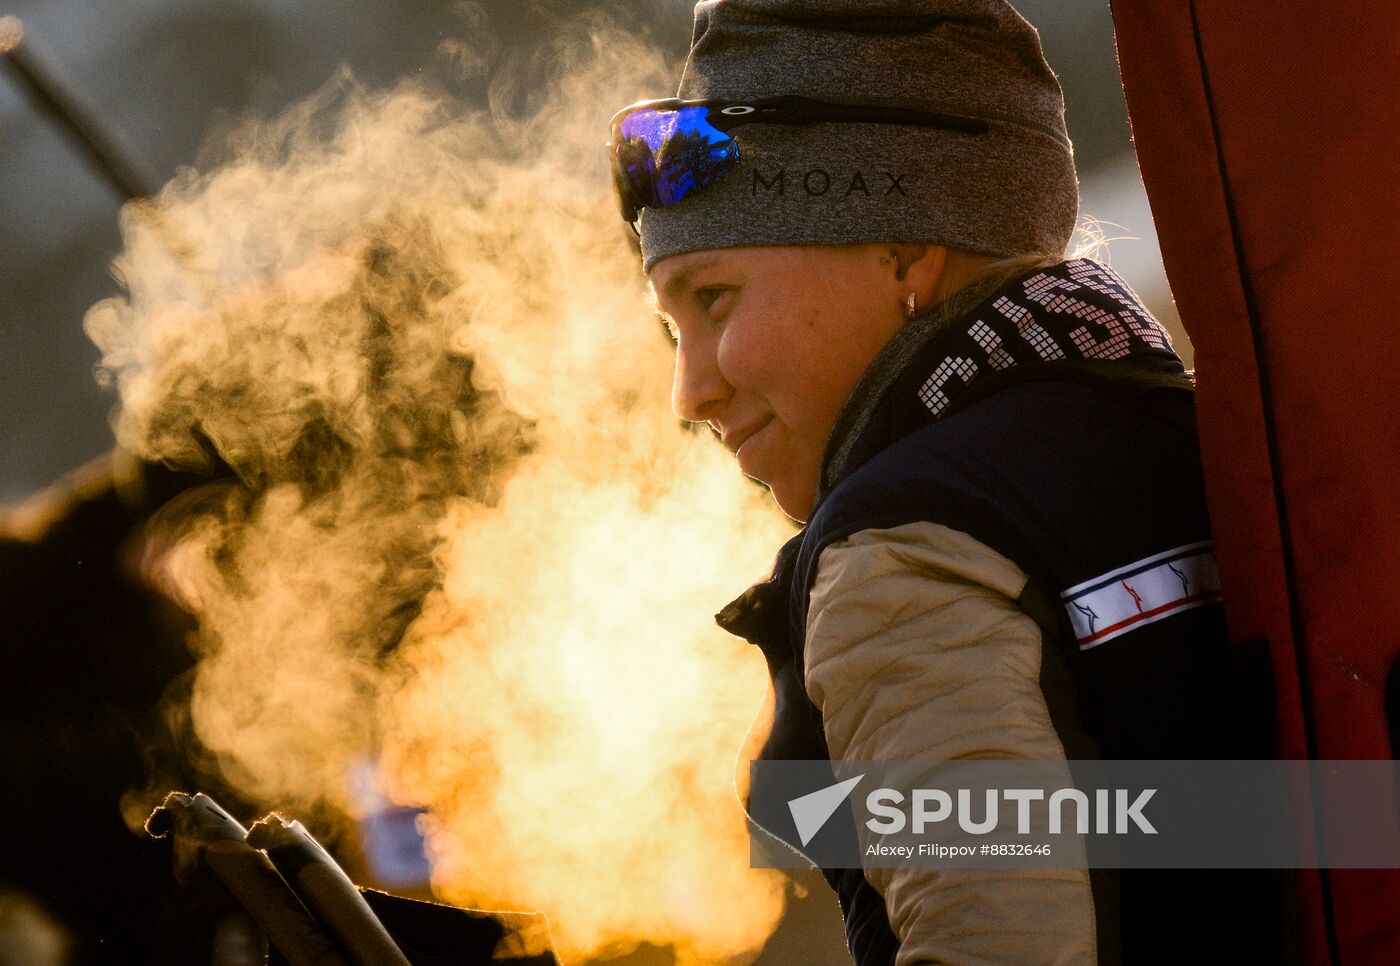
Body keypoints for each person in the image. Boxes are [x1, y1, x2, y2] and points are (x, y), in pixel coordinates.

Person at [609, 1, 1284, 963]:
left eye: (714, 300)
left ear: (906, 255)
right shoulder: (1185, 433)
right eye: (675, 331)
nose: (692, 389)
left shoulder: (908, 548)